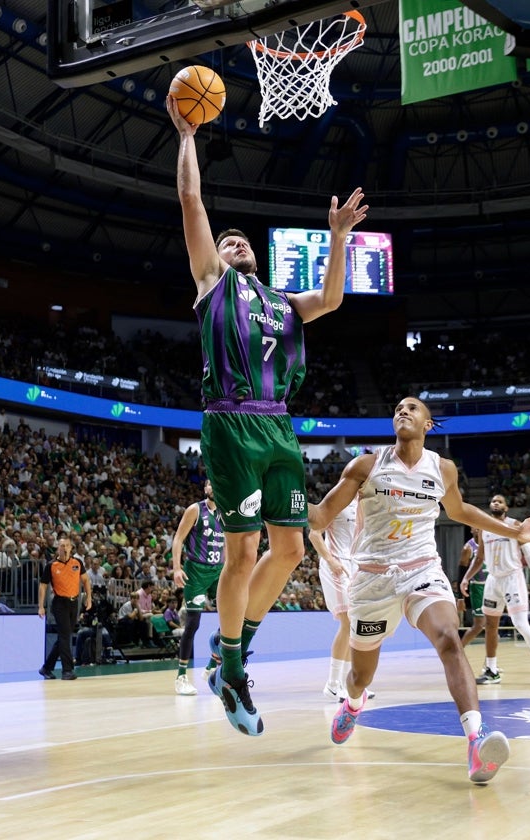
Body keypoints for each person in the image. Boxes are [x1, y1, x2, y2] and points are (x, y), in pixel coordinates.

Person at [167, 93, 369, 736]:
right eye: (229, 242)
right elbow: (193, 204)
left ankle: (234, 657)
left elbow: (334, 298)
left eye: (243, 241)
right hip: (229, 422)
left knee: (288, 550)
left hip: (280, 425)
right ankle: (231, 666)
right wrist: (188, 135)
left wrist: (338, 238)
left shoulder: (283, 304)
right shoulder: (212, 284)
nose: (236, 244)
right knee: (242, 552)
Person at [308, 396, 530, 784]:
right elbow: (321, 515)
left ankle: (476, 740)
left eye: (412, 408)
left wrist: (513, 530)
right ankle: (353, 703)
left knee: (449, 639)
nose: (402, 411)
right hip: (372, 581)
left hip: (421, 570)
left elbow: (459, 512)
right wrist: (283, 496)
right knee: (359, 676)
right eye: (397, 409)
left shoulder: (442, 469)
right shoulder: (366, 465)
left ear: (428, 424)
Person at [461, 494, 530, 687]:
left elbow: (529, 553)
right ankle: (492, 671)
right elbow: (479, 559)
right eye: (493, 501)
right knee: (490, 626)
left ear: (506, 507)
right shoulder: (484, 528)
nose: (495, 503)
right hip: (493, 580)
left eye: (499, 501)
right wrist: (466, 578)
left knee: (521, 624)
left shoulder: (515, 525)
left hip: (513, 578)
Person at [309, 497, 374, 702]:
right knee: (348, 621)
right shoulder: (337, 501)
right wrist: (330, 560)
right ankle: (332, 684)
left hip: (355, 566)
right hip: (335, 566)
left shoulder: (363, 505)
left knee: (355, 624)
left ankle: (349, 683)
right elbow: (314, 534)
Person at [169, 478, 226, 696]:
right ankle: (181, 676)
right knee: (192, 624)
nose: (212, 487)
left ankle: (213, 664)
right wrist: (176, 568)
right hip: (195, 571)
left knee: (233, 617)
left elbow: (228, 544)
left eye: (215, 484)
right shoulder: (195, 510)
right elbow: (178, 539)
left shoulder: (225, 512)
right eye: (209, 484)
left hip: (218, 571)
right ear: (205, 488)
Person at [38, 537, 90, 680]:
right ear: (58, 548)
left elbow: (85, 580)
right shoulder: (51, 565)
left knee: (64, 636)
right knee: (65, 636)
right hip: (60, 603)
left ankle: (46, 667)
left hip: (74, 602)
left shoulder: (77, 563)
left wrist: (89, 598)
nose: (65, 548)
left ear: (71, 548)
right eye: (62, 546)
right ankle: (67, 670)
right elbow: (43, 586)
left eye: (67, 545)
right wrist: (41, 606)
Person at [458, 528, 488, 646]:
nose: (479, 529)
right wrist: (461, 598)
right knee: (479, 625)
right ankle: (459, 649)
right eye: (476, 527)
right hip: (478, 588)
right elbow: (461, 571)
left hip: (492, 585)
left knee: (492, 624)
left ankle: (491, 662)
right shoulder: (468, 548)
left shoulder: (489, 542)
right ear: (471, 530)